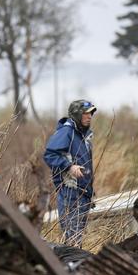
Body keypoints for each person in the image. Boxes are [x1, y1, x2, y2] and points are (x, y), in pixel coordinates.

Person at [43, 99, 96, 247]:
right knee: (73, 240)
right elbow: (49, 155)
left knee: (76, 241)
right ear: (77, 115)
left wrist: (90, 192)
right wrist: (69, 167)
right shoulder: (67, 132)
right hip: (70, 194)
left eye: (91, 113)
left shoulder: (83, 136)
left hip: (82, 194)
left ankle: (71, 268)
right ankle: (68, 269)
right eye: (86, 113)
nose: (89, 116)